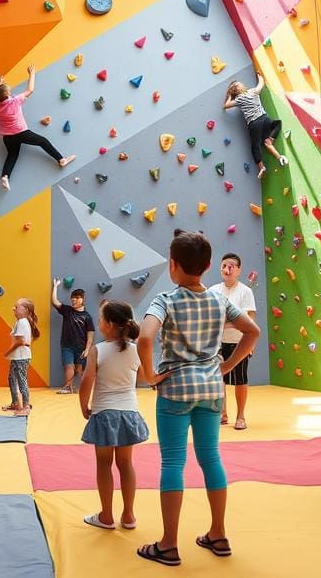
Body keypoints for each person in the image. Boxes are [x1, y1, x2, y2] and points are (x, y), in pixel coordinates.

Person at [136, 231, 261, 566]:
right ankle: (217, 534)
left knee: (173, 463)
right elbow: (253, 331)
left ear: (172, 265)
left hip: (175, 390)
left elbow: (145, 339)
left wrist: (149, 376)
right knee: (211, 459)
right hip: (210, 389)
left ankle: (168, 544)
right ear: (208, 266)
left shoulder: (165, 300)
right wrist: (227, 366)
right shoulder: (219, 300)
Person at [79, 300, 149, 531]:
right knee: (126, 463)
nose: (98, 322)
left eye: (100, 319)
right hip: (129, 412)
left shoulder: (98, 350)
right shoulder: (137, 349)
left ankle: (106, 515)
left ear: (108, 325)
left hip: (104, 413)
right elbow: (141, 377)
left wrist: (83, 406)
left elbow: (86, 381)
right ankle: (128, 515)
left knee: (104, 464)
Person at [0, 63, 75, 190]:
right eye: (9, 91)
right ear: (7, 95)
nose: (11, 91)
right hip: (21, 133)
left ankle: (5, 176)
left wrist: (0, 83)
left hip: (7, 137)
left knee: (12, 155)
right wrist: (32, 74)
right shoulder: (15, 101)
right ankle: (61, 159)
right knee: (43, 141)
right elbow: (30, 90)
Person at [208, 253, 257, 430]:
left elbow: (249, 319)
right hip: (216, 344)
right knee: (217, 378)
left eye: (231, 266)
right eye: (224, 266)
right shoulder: (212, 291)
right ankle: (222, 414)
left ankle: (241, 416)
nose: (227, 269)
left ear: (238, 270)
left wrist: (250, 344)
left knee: (240, 379)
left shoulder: (245, 291)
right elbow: (210, 319)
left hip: (240, 343)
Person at [223, 73, 288, 179]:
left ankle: (261, 167)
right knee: (277, 124)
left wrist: (229, 95)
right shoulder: (252, 91)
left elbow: (226, 106)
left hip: (254, 124)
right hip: (264, 118)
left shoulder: (238, 99)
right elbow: (261, 84)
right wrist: (259, 75)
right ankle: (278, 154)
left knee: (255, 146)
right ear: (241, 87)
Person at [51, 280, 95, 394]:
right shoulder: (67, 311)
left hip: (81, 347)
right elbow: (55, 302)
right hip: (67, 346)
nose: (74, 300)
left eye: (77, 297)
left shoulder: (87, 316)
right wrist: (55, 286)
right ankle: (67, 387)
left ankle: (79, 388)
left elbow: (90, 335)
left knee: (79, 369)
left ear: (83, 299)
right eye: (72, 298)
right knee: (69, 366)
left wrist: (87, 349)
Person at [3, 298, 40, 416]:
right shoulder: (20, 322)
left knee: (21, 380)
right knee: (11, 378)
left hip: (21, 357)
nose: (13, 308)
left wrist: (7, 352)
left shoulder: (22, 322)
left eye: (16, 307)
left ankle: (26, 406)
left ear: (25, 310)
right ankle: (15, 402)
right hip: (17, 357)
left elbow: (20, 341)